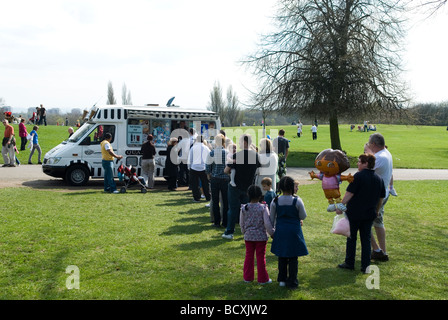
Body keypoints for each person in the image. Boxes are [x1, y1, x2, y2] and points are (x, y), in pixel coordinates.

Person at [336, 153, 386, 273]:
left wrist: (341, 206)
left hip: (355, 213)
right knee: (366, 239)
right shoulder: (378, 178)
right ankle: (365, 266)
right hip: (369, 214)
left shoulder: (358, 176)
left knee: (351, 238)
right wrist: (377, 211)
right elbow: (380, 198)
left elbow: (349, 194)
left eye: (360, 161)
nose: (357, 163)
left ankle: (349, 263)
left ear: (366, 163)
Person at [270, 176, 308, 289]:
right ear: (292, 187)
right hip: (294, 231)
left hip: (281, 230)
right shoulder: (297, 200)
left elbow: (271, 218)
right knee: (293, 258)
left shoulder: (275, 200)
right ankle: (292, 281)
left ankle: (281, 280)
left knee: (281, 256)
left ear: (280, 187)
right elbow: (303, 216)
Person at [222, 134, 261, 240]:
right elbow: (258, 169)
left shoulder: (237, 155)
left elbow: (226, 170)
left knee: (233, 209)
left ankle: (229, 231)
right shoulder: (256, 155)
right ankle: (248, 230)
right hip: (248, 186)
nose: (239, 144)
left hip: (235, 186)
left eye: (240, 141)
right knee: (247, 209)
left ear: (244, 142)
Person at [240, 185, 274, 284]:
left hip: (248, 237)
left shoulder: (244, 208)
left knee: (249, 257)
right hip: (261, 237)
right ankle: (263, 279)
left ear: (248, 195)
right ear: (260, 196)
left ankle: (247, 277)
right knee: (260, 258)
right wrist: (272, 233)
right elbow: (267, 223)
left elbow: (241, 223)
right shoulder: (263, 208)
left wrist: (244, 232)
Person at [366, 133, 393, 261]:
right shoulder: (386, 153)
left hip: (375, 196)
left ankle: (377, 250)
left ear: (374, 144)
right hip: (383, 193)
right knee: (378, 222)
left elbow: (364, 171)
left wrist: (367, 154)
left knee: (365, 223)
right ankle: (383, 251)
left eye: (369, 143)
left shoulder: (379, 157)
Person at [206, 134, 229, 228]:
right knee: (225, 201)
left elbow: (207, 166)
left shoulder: (212, 152)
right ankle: (225, 222)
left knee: (215, 201)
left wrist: (209, 175)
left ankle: (216, 222)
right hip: (225, 179)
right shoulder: (227, 153)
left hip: (215, 178)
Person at [188, 135, 211, 202]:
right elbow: (209, 157)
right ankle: (208, 197)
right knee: (205, 184)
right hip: (203, 168)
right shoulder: (206, 148)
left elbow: (190, 158)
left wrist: (189, 167)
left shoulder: (193, 148)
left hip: (194, 167)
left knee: (195, 184)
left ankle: (196, 197)